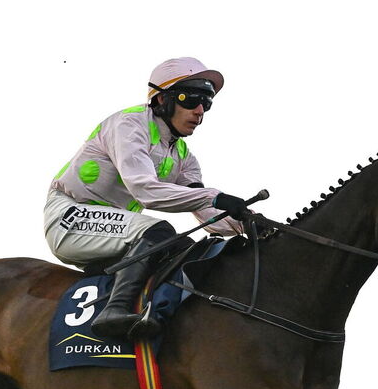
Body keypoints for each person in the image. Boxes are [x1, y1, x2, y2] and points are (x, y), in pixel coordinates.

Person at [44, 57, 252, 339]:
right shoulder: (129, 125)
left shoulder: (184, 157)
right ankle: (113, 311)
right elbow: (146, 192)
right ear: (163, 99)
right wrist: (216, 197)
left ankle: (157, 316)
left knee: (188, 248)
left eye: (207, 102)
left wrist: (246, 223)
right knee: (159, 231)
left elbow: (207, 212)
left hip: (115, 230)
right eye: (191, 99)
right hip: (70, 219)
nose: (200, 110)